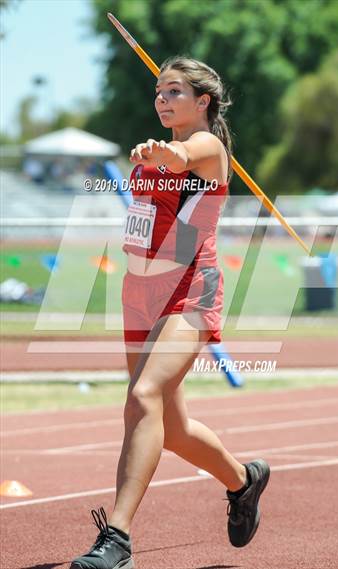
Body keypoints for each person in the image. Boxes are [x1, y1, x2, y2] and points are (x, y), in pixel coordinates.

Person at [70, 56, 270, 569]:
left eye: (175, 92)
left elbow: (185, 155)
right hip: (140, 292)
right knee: (172, 428)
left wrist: (165, 152)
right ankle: (243, 481)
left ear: (203, 101)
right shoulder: (154, 151)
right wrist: (153, 154)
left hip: (189, 293)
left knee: (143, 395)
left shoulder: (207, 147)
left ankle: (117, 539)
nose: (162, 99)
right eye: (158, 91)